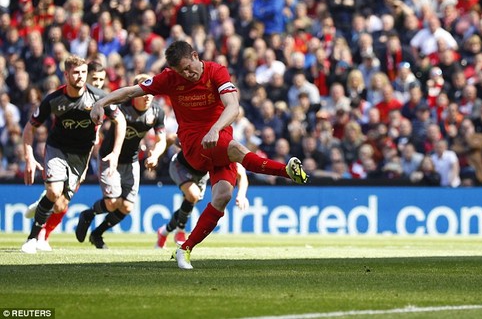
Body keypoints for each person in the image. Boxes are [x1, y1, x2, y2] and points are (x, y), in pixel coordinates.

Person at [90, 41, 308, 269]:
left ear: (195, 55)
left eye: (187, 67)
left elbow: (233, 106)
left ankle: (184, 249)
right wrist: (102, 101)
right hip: (195, 143)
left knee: (222, 196)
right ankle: (286, 171)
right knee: (236, 149)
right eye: (180, 71)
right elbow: (131, 91)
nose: (186, 74)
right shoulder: (169, 78)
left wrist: (215, 128)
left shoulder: (216, 71)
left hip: (218, 139)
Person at [21, 56, 126, 254]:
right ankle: (32, 238)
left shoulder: (99, 97)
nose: (80, 77)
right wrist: (29, 156)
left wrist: (115, 152)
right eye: (76, 73)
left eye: (83, 73)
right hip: (57, 149)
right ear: (66, 74)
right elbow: (30, 127)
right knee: (54, 192)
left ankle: (44, 202)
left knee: (60, 205)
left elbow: (120, 120)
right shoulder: (53, 99)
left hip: (81, 155)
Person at [75, 74, 168, 249]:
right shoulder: (121, 108)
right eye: (144, 92)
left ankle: (97, 234)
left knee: (126, 206)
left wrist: (155, 155)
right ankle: (88, 214)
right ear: (134, 93)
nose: (148, 96)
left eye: (151, 93)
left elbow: (161, 139)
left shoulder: (157, 112)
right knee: (112, 203)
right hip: (110, 157)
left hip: (131, 160)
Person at [155, 152, 249, 249]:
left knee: (188, 204)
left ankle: (163, 232)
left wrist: (241, 195)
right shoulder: (203, 140)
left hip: (202, 173)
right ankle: (180, 230)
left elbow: (241, 174)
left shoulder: (226, 150)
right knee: (193, 195)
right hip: (181, 166)